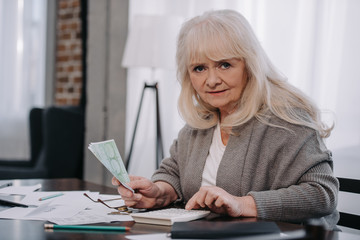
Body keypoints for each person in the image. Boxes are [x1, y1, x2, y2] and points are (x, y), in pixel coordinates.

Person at [113, 9, 339, 229]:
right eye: (199, 68)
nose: (211, 80)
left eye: (225, 65)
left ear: (249, 66)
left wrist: (243, 204)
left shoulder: (287, 119)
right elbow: (173, 174)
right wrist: (159, 193)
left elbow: (322, 194)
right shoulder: (200, 123)